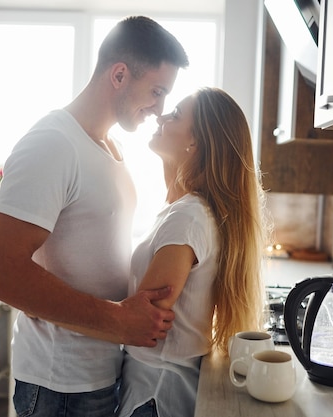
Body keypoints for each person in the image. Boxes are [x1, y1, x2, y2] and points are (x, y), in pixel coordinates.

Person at [0, 16, 189, 417]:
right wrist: (117, 319)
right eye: (157, 91)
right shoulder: (53, 143)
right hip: (60, 386)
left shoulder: (111, 148)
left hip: (100, 375)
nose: (160, 109)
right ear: (119, 75)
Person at [116, 87, 268, 417]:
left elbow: (142, 322)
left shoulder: (187, 217)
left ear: (194, 142)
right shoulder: (188, 212)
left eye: (174, 115)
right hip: (160, 388)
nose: (160, 115)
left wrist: (55, 310)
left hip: (153, 395)